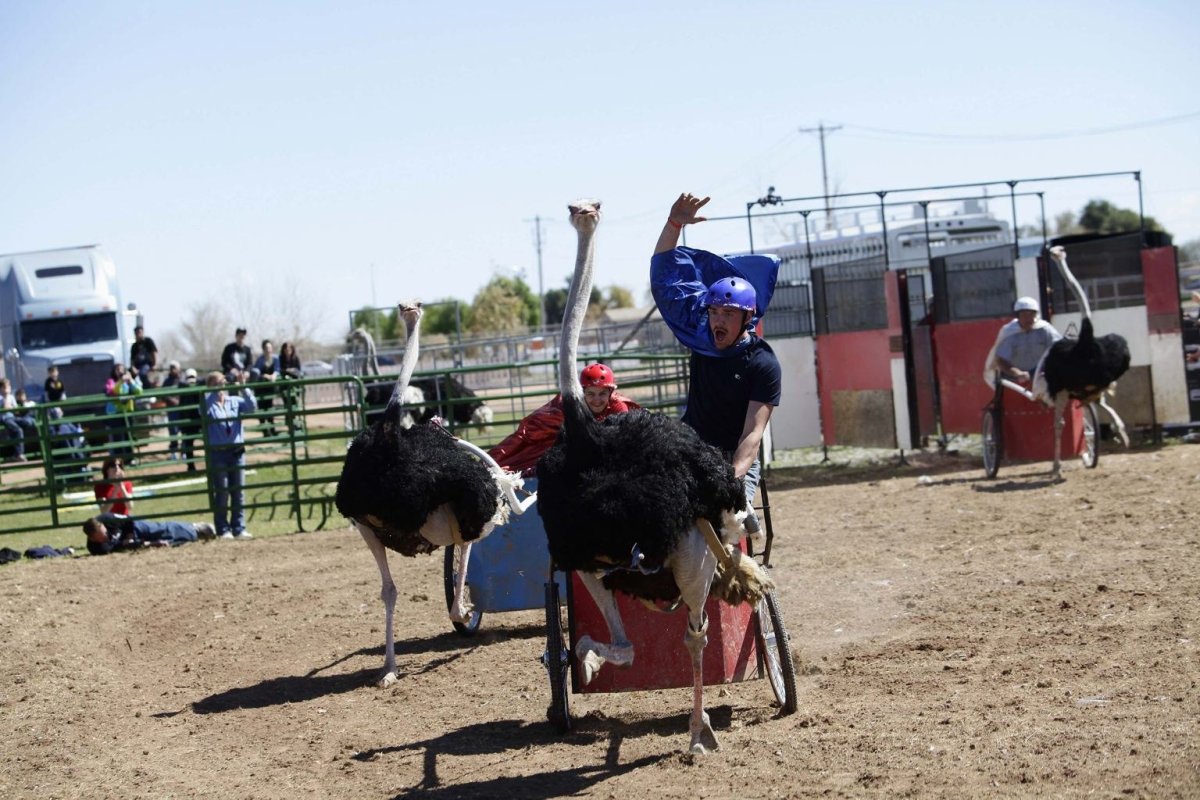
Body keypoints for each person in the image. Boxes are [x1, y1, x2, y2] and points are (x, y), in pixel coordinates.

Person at [650, 192, 783, 534]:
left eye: (728, 314)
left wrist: (729, 483)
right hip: (692, 442)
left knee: (733, 516)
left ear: (747, 318)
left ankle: (741, 553)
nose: (718, 321)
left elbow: (752, 435)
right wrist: (674, 224)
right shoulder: (701, 333)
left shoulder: (763, 363)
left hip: (735, 452)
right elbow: (666, 277)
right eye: (714, 312)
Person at [488, 364, 642, 476]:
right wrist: (491, 460)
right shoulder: (564, 408)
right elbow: (525, 434)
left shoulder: (619, 407)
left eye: (602, 393)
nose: (597, 400)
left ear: (610, 392)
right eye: (590, 393)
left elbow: (626, 441)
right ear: (581, 393)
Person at [204, 371, 257, 539]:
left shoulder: (234, 401)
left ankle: (239, 527)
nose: (223, 384)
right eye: (219, 382)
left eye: (224, 381)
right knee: (222, 491)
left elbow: (252, 407)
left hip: (236, 451)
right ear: (211, 385)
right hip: (218, 453)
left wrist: (243, 387)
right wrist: (212, 392)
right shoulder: (207, 403)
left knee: (238, 491)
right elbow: (204, 410)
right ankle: (223, 528)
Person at [983, 296, 1063, 399]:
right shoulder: (1009, 333)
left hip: (1042, 375)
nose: (1028, 318)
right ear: (1018, 316)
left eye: (1031, 314)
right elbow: (1001, 361)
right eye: (1024, 314)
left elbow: (1059, 349)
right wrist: (1017, 373)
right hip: (1015, 380)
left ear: (1036, 315)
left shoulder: (1045, 330)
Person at [83, 515, 216, 555]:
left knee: (161, 529)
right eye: (102, 536)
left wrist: (129, 535)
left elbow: (129, 519)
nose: (106, 536)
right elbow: (117, 547)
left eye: (105, 532)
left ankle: (194, 529)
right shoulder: (96, 548)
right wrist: (148, 544)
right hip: (131, 543)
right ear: (93, 538)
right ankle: (192, 535)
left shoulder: (107, 519)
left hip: (134, 528)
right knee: (167, 543)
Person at [104, 363, 142, 462]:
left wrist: (131, 381)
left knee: (128, 436)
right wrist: (121, 381)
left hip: (127, 412)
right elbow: (115, 391)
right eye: (118, 370)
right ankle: (118, 461)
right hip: (115, 414)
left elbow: (139, 391)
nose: (120, 372)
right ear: (114, 371)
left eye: (122, 369)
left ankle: (130, 459)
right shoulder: (111, 381)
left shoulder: (128, 382)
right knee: (117, 438)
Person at [251, 339, 281, 436]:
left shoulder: (275, 358)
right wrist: (265, 376)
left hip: (270, 388)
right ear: (263, 349)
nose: (268, 350)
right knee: (261, 408)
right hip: (260, 388)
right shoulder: (260, 359)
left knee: (270, 407)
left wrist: (274, 375)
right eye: (266, 348)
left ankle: (272, 429)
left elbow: (277, 369)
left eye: (269, 347)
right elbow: (257, 371)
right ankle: (264, 430)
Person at [176, 368, 203, 471]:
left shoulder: (199, 385)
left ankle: (191, 465)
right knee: (188, 444)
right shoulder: (183, 386)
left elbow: (203, 381)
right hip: (189, 420)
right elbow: (181, 384)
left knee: (190, 443)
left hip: (196, 419)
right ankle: (191, 465)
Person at [1, 377, 33, 462]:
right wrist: (6, 396)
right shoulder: (1, 397)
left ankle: (16, 454)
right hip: (5, 419)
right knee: (18, 430)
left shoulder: (11, 397)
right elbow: (5, 408)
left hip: (13, 417)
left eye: (8, 386)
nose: (8, 389)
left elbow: (15, 410)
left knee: (28, 422)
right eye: (5, 387)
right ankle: (19, 454)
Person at [161, 361, 185, 458]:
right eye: (171, 367)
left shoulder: (183, 380)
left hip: (183, 409)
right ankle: (174, 452)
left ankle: (184, 452)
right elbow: (163, 395)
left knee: (184, 431)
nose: (173, 369)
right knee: (173, 431)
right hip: (172, 410)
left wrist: (180, 400)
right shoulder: (167, 382)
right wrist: (172, 400)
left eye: (174, 367)